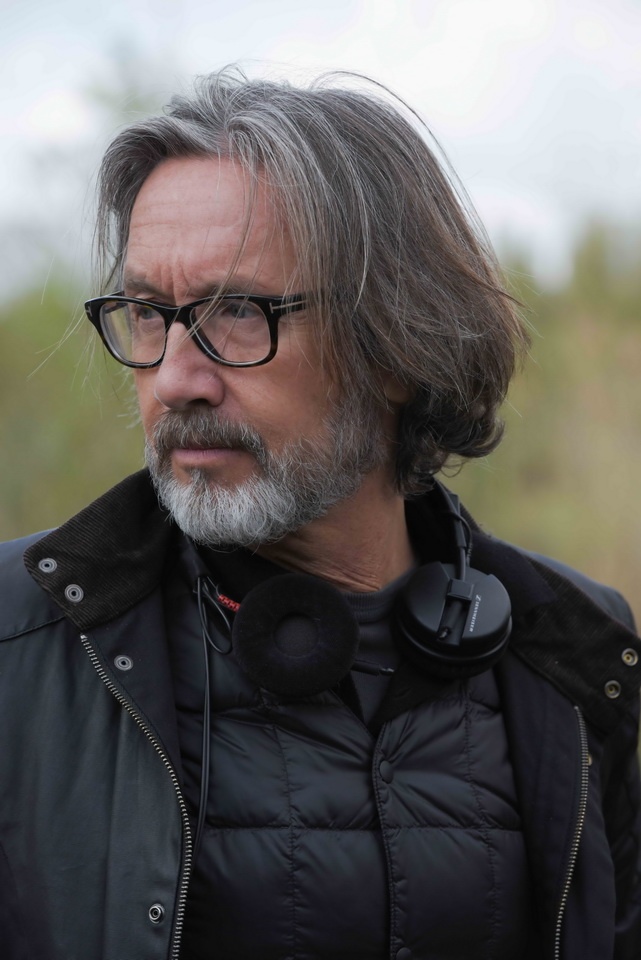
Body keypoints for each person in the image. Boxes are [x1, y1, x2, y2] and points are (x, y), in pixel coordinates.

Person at [1, 67, 640, 960]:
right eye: (147, 314)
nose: (175, 379)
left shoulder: (576, 657)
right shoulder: (18, 646)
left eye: (237, 311)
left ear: (398, 344)